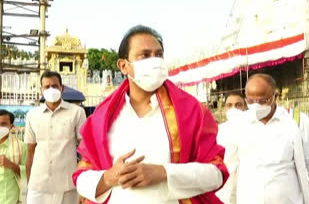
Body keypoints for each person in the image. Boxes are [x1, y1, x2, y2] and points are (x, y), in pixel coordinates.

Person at [72, 25, 229, 204]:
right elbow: (81, 177)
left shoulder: (192, 112)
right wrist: (109, 178)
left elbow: (216, 174)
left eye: (159, 55)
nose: (155, 61)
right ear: (124, 66)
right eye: (145, 55)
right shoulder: (101, 120)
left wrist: (163, 173)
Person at [235, 73, 309, 204]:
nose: (256, 106)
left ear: (275, 97)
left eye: (263, 101)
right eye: (250, 101)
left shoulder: (296, 121)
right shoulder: (239, 124)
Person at [24, 71, 87, 204]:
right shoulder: (32, 115)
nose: (51, 89)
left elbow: (84, 149)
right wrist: (30, 182)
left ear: (61, 88)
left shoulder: (77, 112)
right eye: (46, 87)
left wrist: (83, 182)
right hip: (38, 184)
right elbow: (30, 151)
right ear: (41, 89)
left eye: (54, 86)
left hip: (67, 184)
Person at [216, 92, 246, 204]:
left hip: (246, 189)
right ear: (225, 109)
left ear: (245, 107)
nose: (233, 108)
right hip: (223, 189)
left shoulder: (254, 130)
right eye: (229, 105)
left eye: (238, 105)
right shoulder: (217, 131)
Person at [0, 109, 27, 204]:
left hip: (11, 200)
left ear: (11, 126)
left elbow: (28, 173)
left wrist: (10, 165)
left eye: (3, 124)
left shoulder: (22, 147)